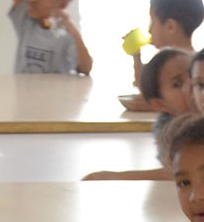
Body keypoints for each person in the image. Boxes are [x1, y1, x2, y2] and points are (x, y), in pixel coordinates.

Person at [82, 48, 194, 181]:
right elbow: (179, 171)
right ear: (159, 105)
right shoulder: (168, 128)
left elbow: (184, 173)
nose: (192, 85)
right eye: (178, 84)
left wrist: (114, 177)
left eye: (194, 75)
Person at [129, 0, 204, 89]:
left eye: (153, 22)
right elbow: (144, 85)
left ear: (170, 26)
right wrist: (136, 55)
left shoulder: (167, 67)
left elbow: (145, 88)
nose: (149, 30)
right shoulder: (202, 62)